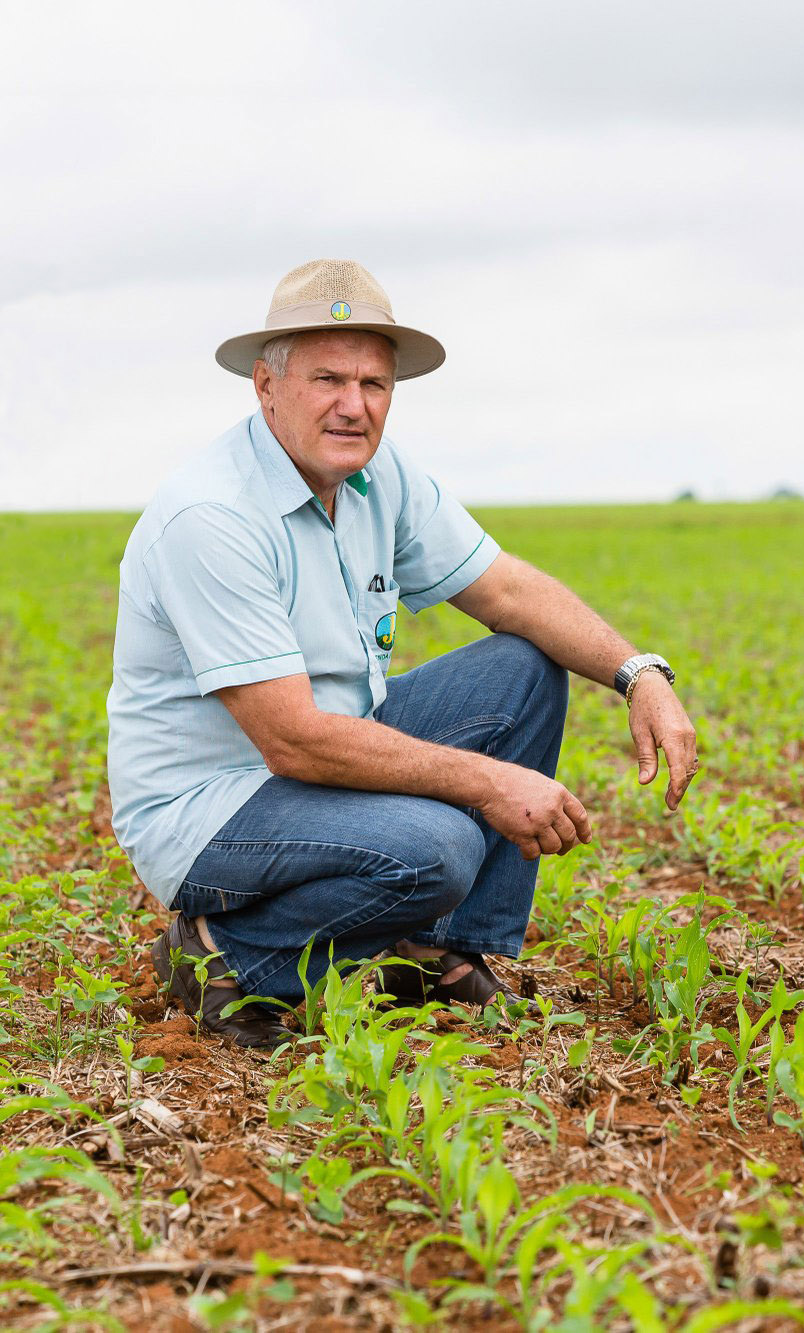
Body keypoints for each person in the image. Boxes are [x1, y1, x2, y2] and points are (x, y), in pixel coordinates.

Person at [108, 259, 698, 1050]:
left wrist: (640, 674)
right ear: (265, 386)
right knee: (440, 847)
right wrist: (490, 782)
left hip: (313, 758)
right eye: (328, 379)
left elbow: (510, 593)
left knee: (521, 668)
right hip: (211, 807)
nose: (354, 406)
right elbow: (291, 738)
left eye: (374, 384)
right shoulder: (212, 516)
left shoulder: (378, 477)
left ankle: (434, 950)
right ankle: (223, 954)